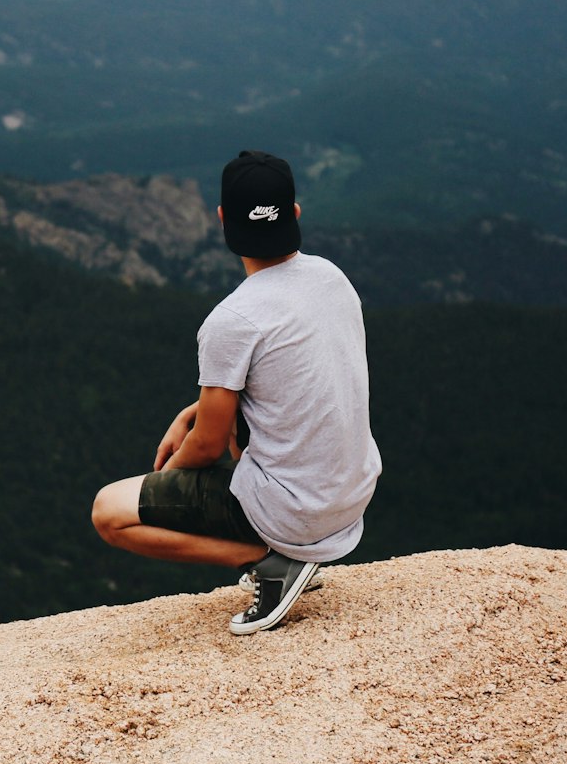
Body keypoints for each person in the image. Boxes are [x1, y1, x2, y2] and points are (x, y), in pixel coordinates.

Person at [92, 150, 382, 634]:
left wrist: (170, 484)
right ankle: (286, 554)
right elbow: (299, 378)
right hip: (351, 497)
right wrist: (195, 411)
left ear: (223, 219)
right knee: (222, 429)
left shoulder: (233, 320)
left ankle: (269, 559)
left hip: (298, 515)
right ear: (295, 214)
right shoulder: (333, 278)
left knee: (109, 512)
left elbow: (207, 446)